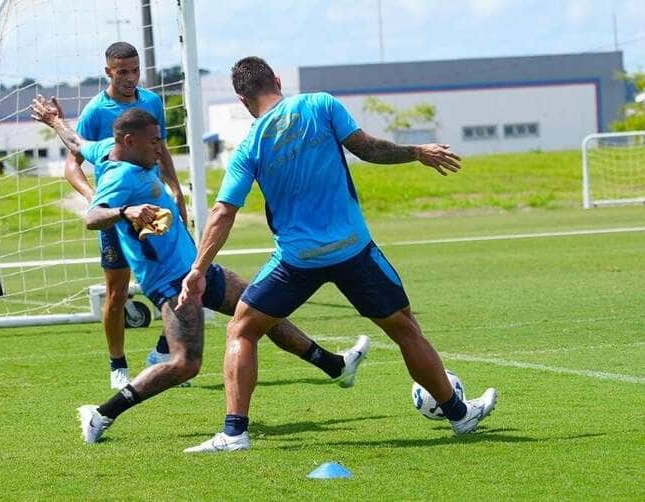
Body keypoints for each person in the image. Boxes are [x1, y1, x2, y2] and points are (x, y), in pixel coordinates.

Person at [178, 56, 498, 453]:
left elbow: (223, 211)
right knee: (404, 330)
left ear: (243, 100)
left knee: (242, 330)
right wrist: (417, 152)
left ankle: (234, 433)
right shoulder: (321, 105)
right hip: (353, 251)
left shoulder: (249, 147)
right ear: (277, 80)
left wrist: (198, 269)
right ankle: (458, 414)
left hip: (297, 261)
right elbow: (368, 149)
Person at [31, 97, 370, 446]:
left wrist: (56, 121)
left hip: (194, 269)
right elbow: (92, 217)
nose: (160, 149)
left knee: (261, 307)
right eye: (154, 142)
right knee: (186, 364)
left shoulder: (107, 148)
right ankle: (101, 415)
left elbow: (77, 143)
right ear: (130, 142)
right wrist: (127, 211)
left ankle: (335, 366)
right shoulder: (119, 176)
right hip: (171, 282)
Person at [65, 42, 187, 390]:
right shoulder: (95, 111)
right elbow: (72, 166)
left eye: (135, 71)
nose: (131, 78)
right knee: (117, 292)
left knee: (183, 280)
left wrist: (176, 191)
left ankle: (165, 354)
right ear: (108, 72)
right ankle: (118, 367)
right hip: (119, 214)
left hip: (153, 209)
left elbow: (160, 149)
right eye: (123, 72)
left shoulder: (151, 102)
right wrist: (96, 202)